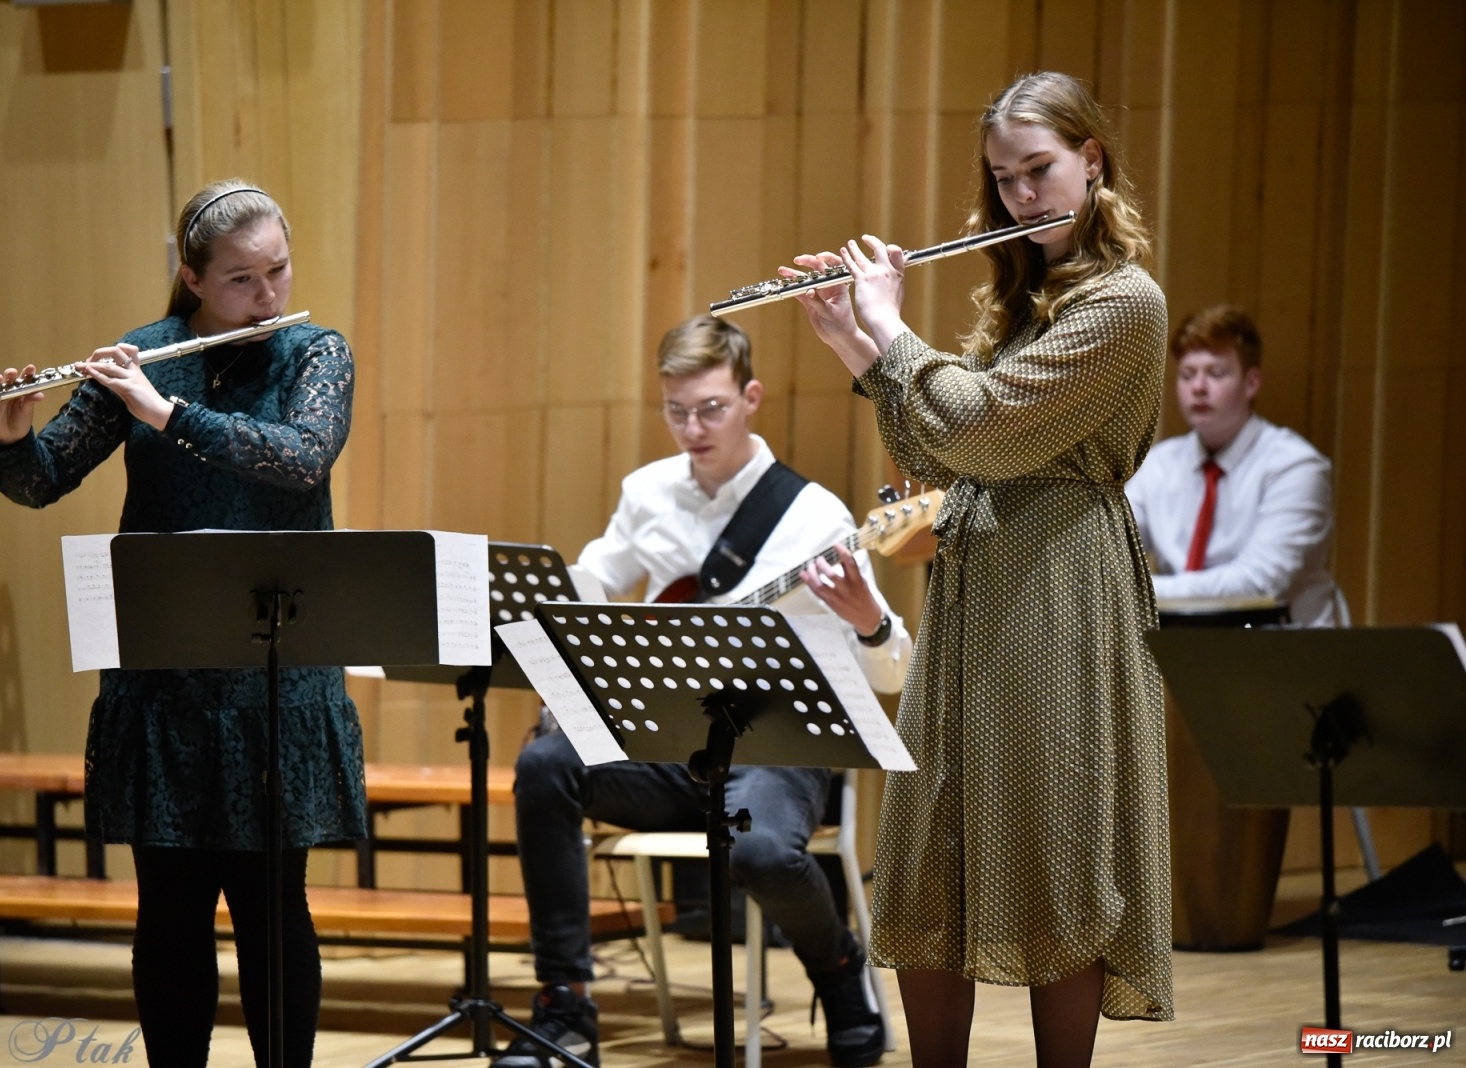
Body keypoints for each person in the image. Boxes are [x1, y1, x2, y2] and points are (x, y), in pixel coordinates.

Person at [787, 72, 1174, 1067]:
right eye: (1003, 180)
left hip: (1061, 581)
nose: (1021, 197)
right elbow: (937, 458)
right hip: (977, 573)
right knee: (926, 851)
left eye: (1039, 171)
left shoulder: (1127, 302)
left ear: (1093, 159)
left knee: (1057, 845)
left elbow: (982, 425)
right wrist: (858, 349)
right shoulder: (1021, 297)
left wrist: (891, 327)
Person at [0, 180, 364, 1068]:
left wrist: (167, 412)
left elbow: (302, 461)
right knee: (170, 913)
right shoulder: (142, 355)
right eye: (241, 280)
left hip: (276, 679)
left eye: (278, 271)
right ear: (192, 277)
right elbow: (43, 479)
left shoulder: (317, 354)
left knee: (274, 909)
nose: (267, 297)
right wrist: (10, 437)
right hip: (166, 683)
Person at [498, 314, 913, 1068]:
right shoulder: (647, 493)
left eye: (711, 408)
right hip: (667, 750)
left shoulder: (814, 515)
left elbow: (895, 676)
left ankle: (842, 972)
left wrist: (869, 621)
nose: (693, 428)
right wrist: (563, 678)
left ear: (751, 397)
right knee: (543, 768)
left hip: (776, 751)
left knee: (759, 850)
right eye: (677, 410)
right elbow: (589, 586)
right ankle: (565, 1004)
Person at [1125, 304, 1343, 625]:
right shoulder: (1159, 464)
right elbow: (1111, 545)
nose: (1198, 387)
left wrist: (1137, 591)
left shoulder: (1296, 466)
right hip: (1187, 646)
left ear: (1252, 382)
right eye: (1187, 375)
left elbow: (1256, 583)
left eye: (1215, 373)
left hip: (1288, 654)